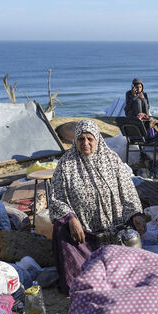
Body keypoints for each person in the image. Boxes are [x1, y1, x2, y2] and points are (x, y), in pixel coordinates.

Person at [50, 120, 146, 293]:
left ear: (98, 140)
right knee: (61, 227)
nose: (85, 143)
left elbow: (128, 191)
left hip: (113, 229)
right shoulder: (65, 164)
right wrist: (71, 219)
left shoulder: (112, 160)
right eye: (81, 139)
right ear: (75, 141)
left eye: (89, 139)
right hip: (83, 235)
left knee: (133, 233)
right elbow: (56, 199)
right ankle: (79, 280)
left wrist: (136, 214)